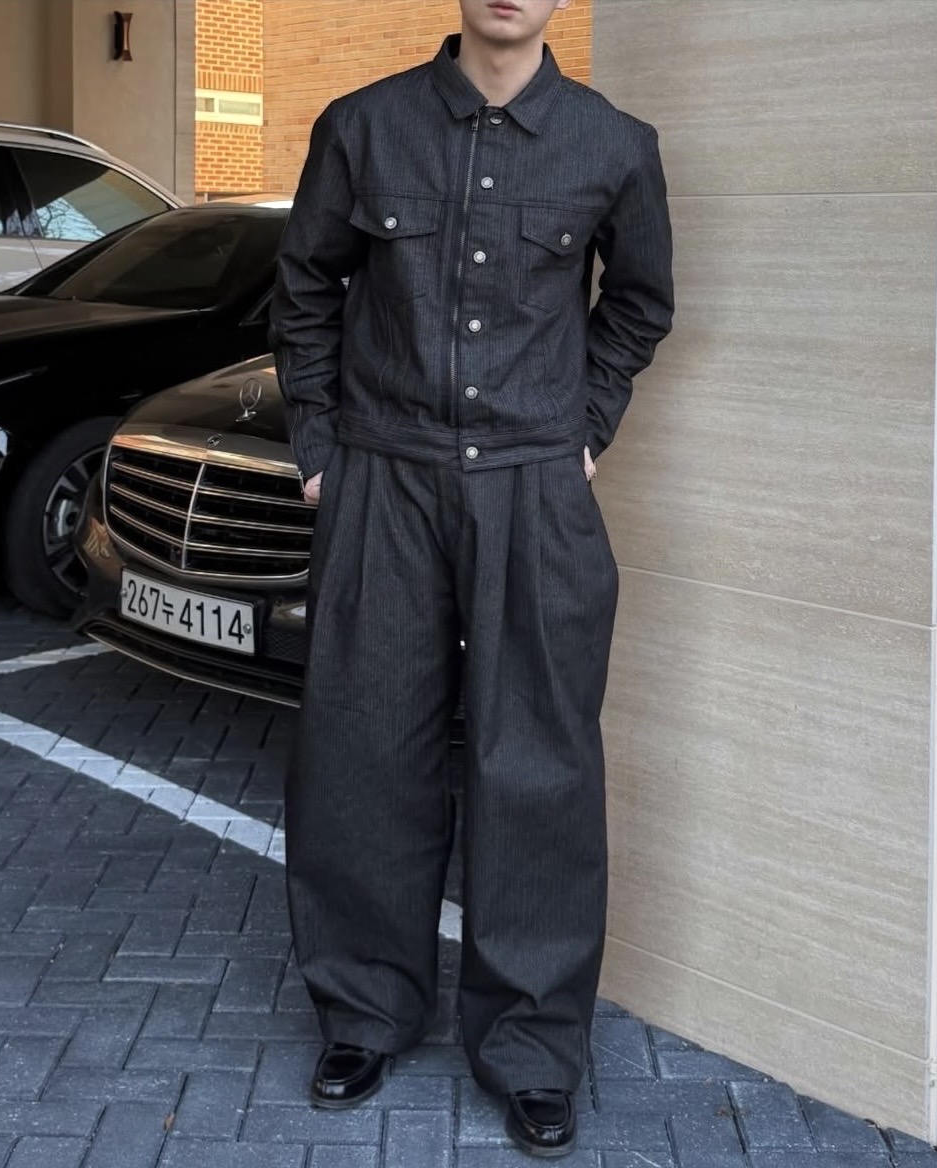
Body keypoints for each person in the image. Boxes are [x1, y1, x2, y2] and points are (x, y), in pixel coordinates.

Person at [269, 0, 673, 1157]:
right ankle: (363, 1013)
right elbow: (302, 290)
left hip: (533, 488)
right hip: (382, 478)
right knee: (361, 750)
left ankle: (531, 1047)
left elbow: (639, 303)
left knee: (534, 763)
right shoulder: (362, 126)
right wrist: (320, 449)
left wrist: (582, 428)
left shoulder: (612, 145)